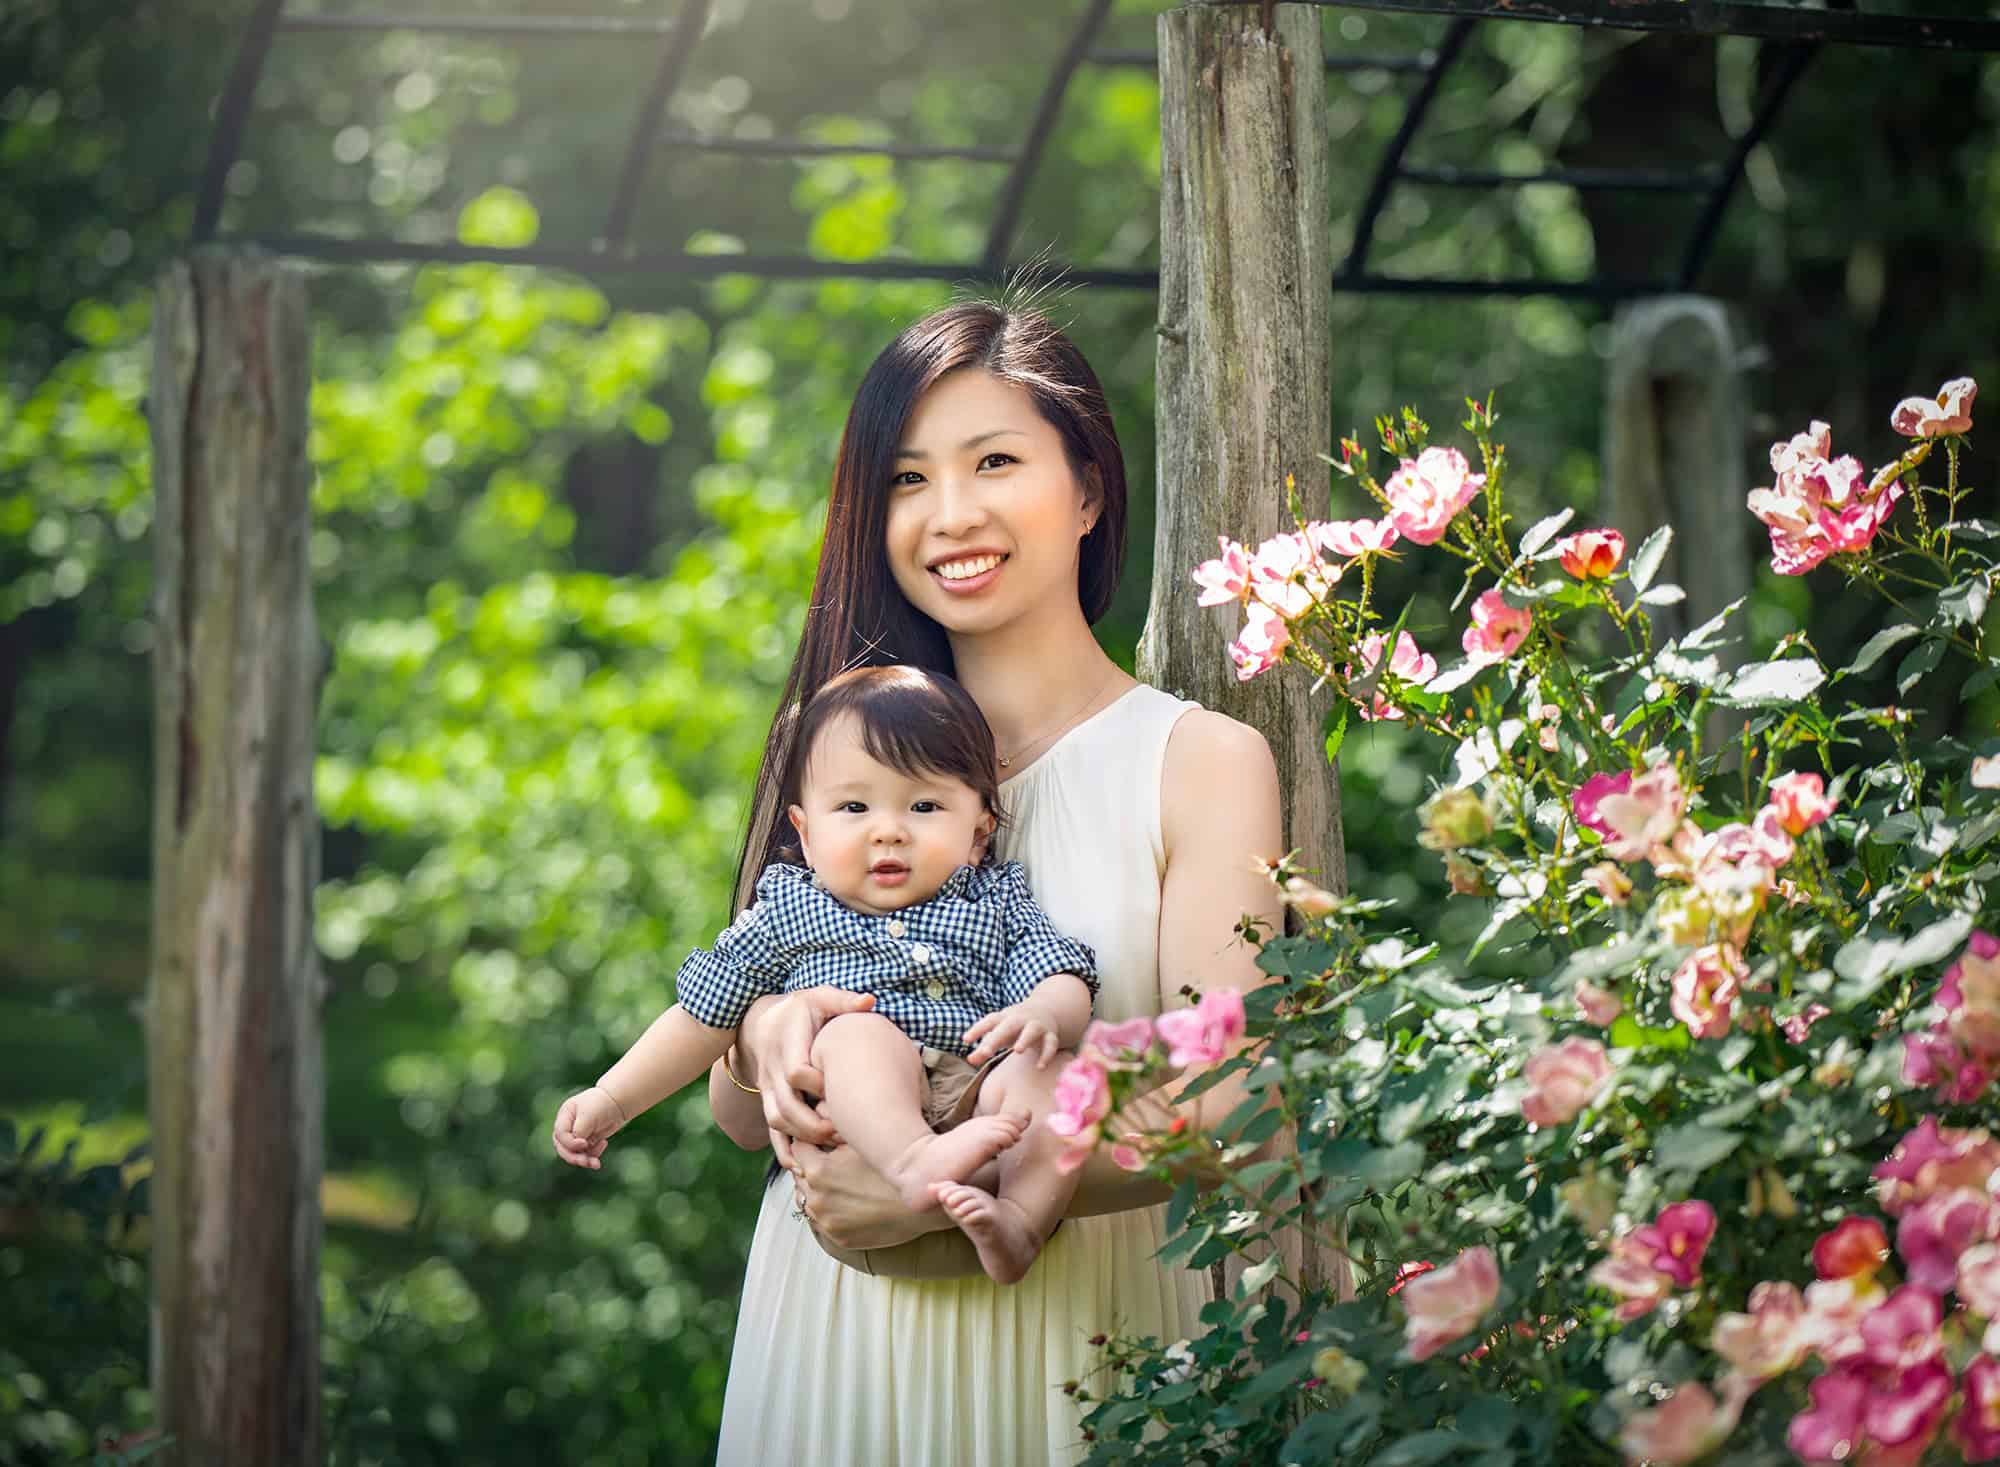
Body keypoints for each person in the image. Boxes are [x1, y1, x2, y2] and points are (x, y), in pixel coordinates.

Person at [705, 300, 1283, 1464]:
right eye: (908, 480)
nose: (950, 514)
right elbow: (733, 1116)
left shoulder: (1196, 762)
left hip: (1087, 1348)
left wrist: (960, 1190)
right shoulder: (836, 744)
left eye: (995, 463)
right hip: (838, 1341)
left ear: (1088, 491)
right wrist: (767, 1038)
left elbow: (1232, 1105)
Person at [551, 663, 1103, 1284]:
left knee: (1054, 1074)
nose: (888, 830)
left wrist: (1042, 1013)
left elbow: (1061, 971)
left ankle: (1020, 1223)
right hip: (859, 1136)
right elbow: (702, 1016)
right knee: (851, 1031)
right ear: (806, 835)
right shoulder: (790, 910)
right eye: (854, 806)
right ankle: (916, 1159)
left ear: (978, 832)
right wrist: (613, 1098)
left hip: (979, 1098)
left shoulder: (995, 901)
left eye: (923, 805)